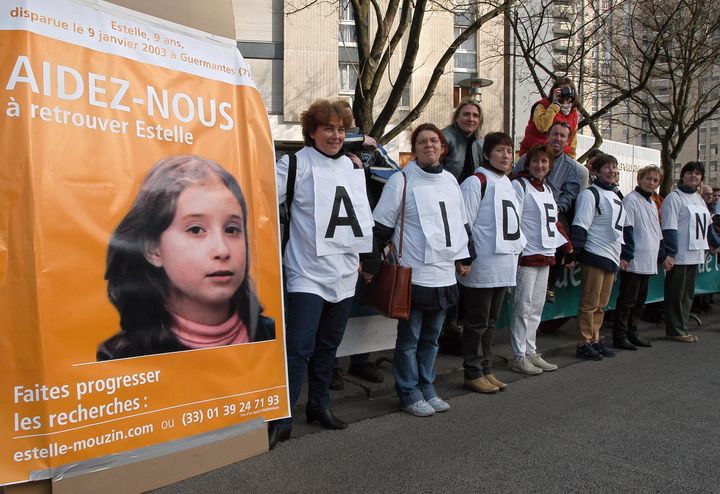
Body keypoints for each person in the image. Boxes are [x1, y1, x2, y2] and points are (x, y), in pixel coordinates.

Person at [97, 156, 275, 361]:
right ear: (153, 249)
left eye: (232, 229)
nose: (222, 250)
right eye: (196, 229)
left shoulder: (270, 335)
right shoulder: (120, 356)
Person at [270, 100, 374, 446]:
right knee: (299, 346)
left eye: (341, 129)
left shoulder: (352, 166)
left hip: (343, 272)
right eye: (328, 128)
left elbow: (358, 218)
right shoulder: (295, 164)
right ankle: (283, 415)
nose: (336, 135)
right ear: (312, 131)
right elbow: (263, 198)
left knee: (328, 345)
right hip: (306, 271)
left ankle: (319, 406)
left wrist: (361, 256)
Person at [369, 123, 475, 416]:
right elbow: (381, 227)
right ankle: (408, 391)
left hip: (443, 275)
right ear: (414, 149)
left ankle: (427, 386)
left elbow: (460, 224)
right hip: (414, 274)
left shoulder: (452, 181)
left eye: (434, 141)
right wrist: (371, 264)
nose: (429, 145)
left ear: (443, 148)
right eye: (422, 141)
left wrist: (465, 258)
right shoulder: (401, 180)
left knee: (431, 338)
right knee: (409, 338)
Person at [459, 132, 525, 393]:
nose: (506, 156)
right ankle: (472, 371)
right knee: (476, 322)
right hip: (483, 266)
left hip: (504, 265)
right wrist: (466, 259)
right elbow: (465, 222)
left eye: (509, 151)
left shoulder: (509, 183)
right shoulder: (476, 182)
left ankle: (486, 368)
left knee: (491, 322)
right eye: (499, 150)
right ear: (486, 154)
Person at [509, 144, 573, 375]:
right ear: (528, 164)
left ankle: (531, 351)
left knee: (536, 307)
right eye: (535, 161)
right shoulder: (519, 185)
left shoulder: (546, 189)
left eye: (544, 162)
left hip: (546, 255)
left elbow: (553, 222)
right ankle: (518, 355)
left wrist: (567, 245)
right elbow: (512, 220)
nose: (540, 165)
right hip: (527, 255)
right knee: (522, 306)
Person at [571, 154, 626, 360]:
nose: (612, 171)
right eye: (607, 167)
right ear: (595, 171)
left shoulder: (615, 195)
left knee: (602, 304)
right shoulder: (590, 194)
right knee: (590, 303)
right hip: (595, 253)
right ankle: (583, 342)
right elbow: (580, 224)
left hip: (612, 254)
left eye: (615, 167)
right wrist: (575, 252)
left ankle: (594, 338)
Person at [661, 162, 719, 343]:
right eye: (690, 173)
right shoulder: (674, 198)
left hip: (695, 254)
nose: (694, 176)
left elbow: (708, 227)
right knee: (675, 293)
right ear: (682, 175)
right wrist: (670, 253)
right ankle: (675, 330)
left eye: (697, 173)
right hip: (680, 255)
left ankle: (682, 326)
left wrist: (716, 244)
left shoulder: (699, 199)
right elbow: (669, 228)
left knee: (687, 294)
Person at [612, 165, 664, 350]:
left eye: (655, 180)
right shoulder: (631, 200)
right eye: (648, 179)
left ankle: (633, 331)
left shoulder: (652, 203)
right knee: (627, 300)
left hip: (649, 259)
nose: (651, 183)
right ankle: (620, 335)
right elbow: (627, 229)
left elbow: (657, 232)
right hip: (635, 259)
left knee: (640, 301)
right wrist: (627, 255)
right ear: (640, 179)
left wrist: (661, 254)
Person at [519, 77, 580, 158]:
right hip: (536, 155)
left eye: (567, 91)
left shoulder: (573, 113)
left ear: (573, 93)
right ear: (554, 92)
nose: (564, 93)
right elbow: (543, 127)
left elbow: (572, 141)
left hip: (559, 157)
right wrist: (555, 105)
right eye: (560, 91)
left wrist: (571, 160)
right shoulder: (542, 106)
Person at [442, 98, 484, 183]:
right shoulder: (444, 138)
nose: (471, 119)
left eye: (475, 115)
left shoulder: (480, 143)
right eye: (466, 114)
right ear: (457, 117)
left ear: (479, 120)